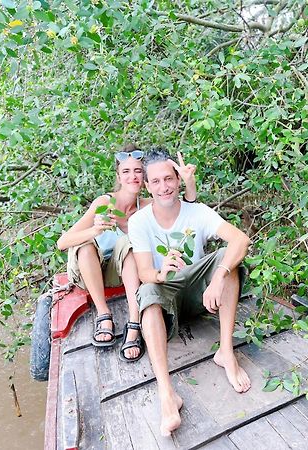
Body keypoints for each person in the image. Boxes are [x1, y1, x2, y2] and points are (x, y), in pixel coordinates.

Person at [128, 147, 252, 436]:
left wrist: (220, 276)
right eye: (156, 182)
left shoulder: (198, 212)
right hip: (166, 296)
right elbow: (144, 272)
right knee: (146, 292)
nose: (164, 187)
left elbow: (241, 240)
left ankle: (225, 352)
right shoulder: (139, 221)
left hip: (199, 294)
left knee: (227, 259)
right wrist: (161, 272)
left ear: (178, 180)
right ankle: (167, 395)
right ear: (147, 185)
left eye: (169, 179)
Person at [57, 144, 196, 362]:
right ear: (119, 176)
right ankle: (104, 315)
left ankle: (134, 323)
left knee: (130, 243)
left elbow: (185, 210)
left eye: (138, 171)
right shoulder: (104, 203)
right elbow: (62, 242)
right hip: (89, 272)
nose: (133, 176)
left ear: (145, 178)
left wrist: (188, 183)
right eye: (126, 171)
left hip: (121, 272)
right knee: (85, 245)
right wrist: (94, 230)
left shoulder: (147, 206)